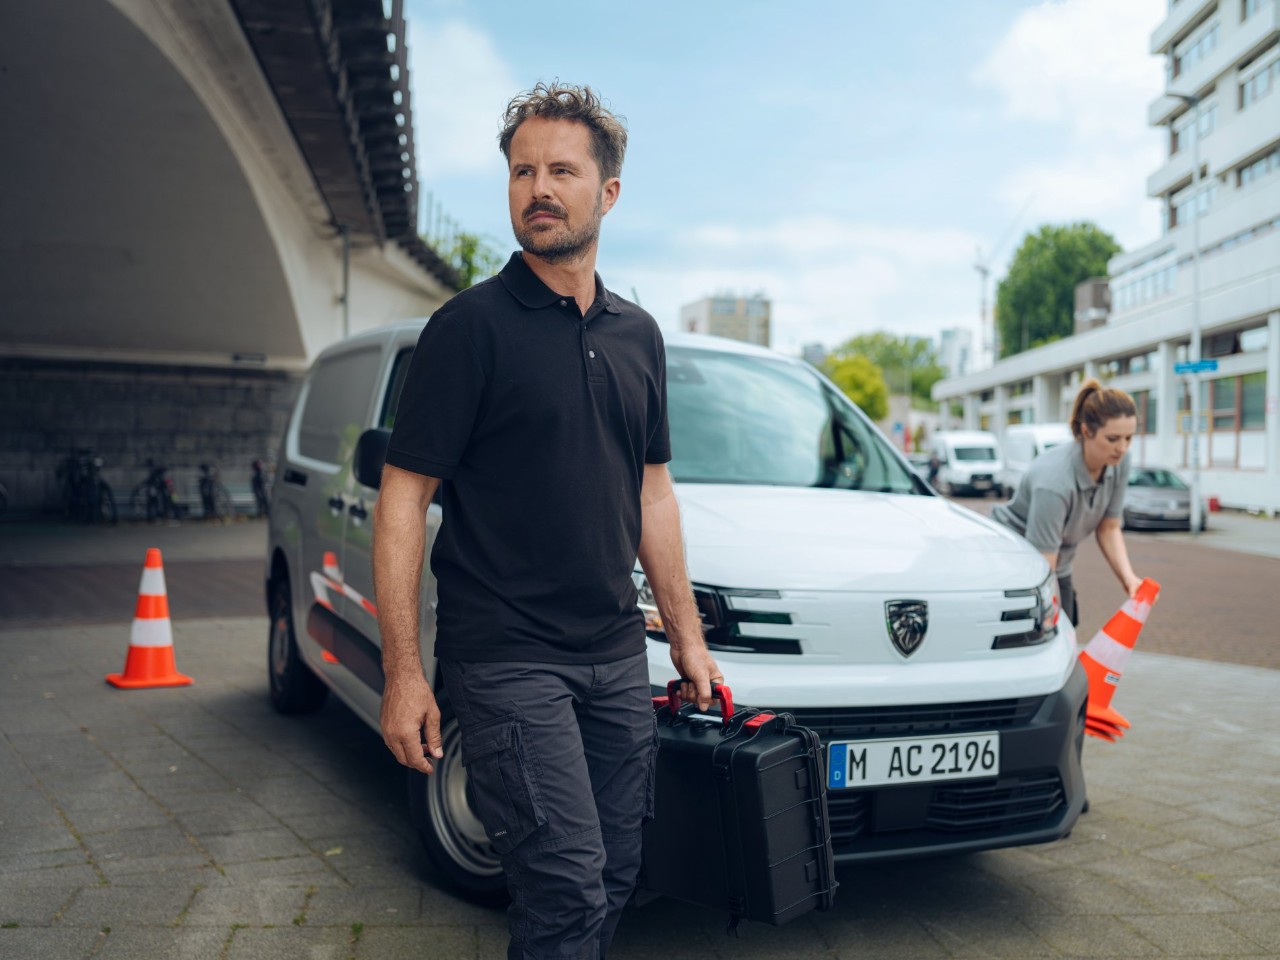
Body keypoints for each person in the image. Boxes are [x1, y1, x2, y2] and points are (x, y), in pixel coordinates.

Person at [371, 82, 722, 959]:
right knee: (563, 885)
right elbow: (404, 498)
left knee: (613, 877)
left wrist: (686, 638)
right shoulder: (468, 330)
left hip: (612, 657)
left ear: (607, 193)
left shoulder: (639, 335)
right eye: (523, 170)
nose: (539, 187)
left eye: (562, 170)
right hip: (506, 660)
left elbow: (652, 494)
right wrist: (405, 672)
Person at [991, 379, 1144, 626]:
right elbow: (1043, 561)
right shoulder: (1054, 481)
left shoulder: (1119, 461)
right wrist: (1047, 614)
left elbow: (1109, 527)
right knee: (1041, 638)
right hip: (1016, 563)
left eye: (1129, 438)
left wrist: (1129, 579)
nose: (1123, 448)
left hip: (1055, 562)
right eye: (1113, 438)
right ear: (1086, 432)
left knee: (1066, 630)